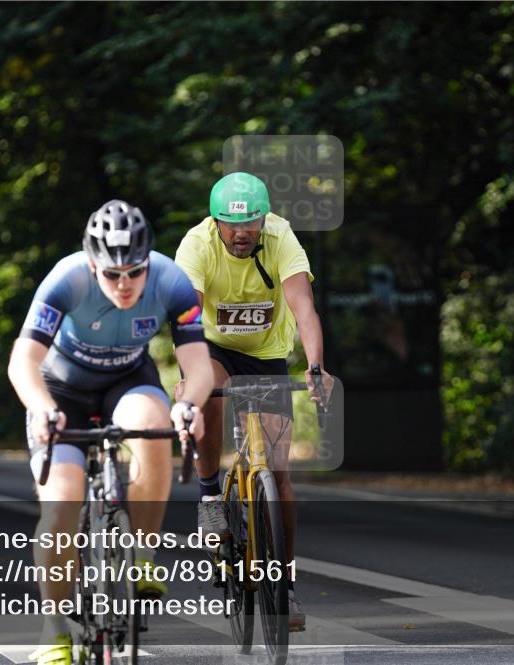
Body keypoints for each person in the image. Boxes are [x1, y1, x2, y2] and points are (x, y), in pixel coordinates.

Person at [7, 200, 213, 665]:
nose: (124, 284)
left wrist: (187, 405)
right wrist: (41, 408)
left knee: (153, 426)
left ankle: (141, 553)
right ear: (92, 265)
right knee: (60, 505)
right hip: (62, 390)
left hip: (127, 378)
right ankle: (54, 629)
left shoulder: (172, 282)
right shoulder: (67, 278)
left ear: (148, 263)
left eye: (134, 272)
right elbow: (24, 361)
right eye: (111, 274)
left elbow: (197, 365)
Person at [174, 172, 331, 632]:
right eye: (231, 224)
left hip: (266, 354)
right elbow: (186, 314)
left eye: (251, 224)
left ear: (264, 219)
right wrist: (190, 376)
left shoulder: (281, 236)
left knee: (279, 475)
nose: (241, 233)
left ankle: (284, 583)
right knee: (211, 397)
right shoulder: (196, 244)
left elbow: (302, 304)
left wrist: (316, 366)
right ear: (216, 221)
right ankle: (208, 495)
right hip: (214, 348)